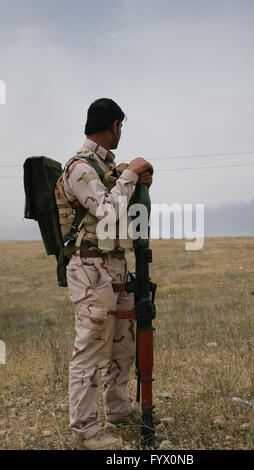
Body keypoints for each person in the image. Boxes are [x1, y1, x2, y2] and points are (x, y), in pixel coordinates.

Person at [55, 98, 153, 450]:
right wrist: (129, 175)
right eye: (120, 127)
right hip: (90, 266)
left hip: (113, 265)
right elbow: (108, 211)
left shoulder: (102, 168)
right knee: (92, 347)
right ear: (114, 126)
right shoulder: (80, 168)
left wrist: (133, 180)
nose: (120, 132)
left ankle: (118, 408)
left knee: (123, 342)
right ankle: (84, 428)